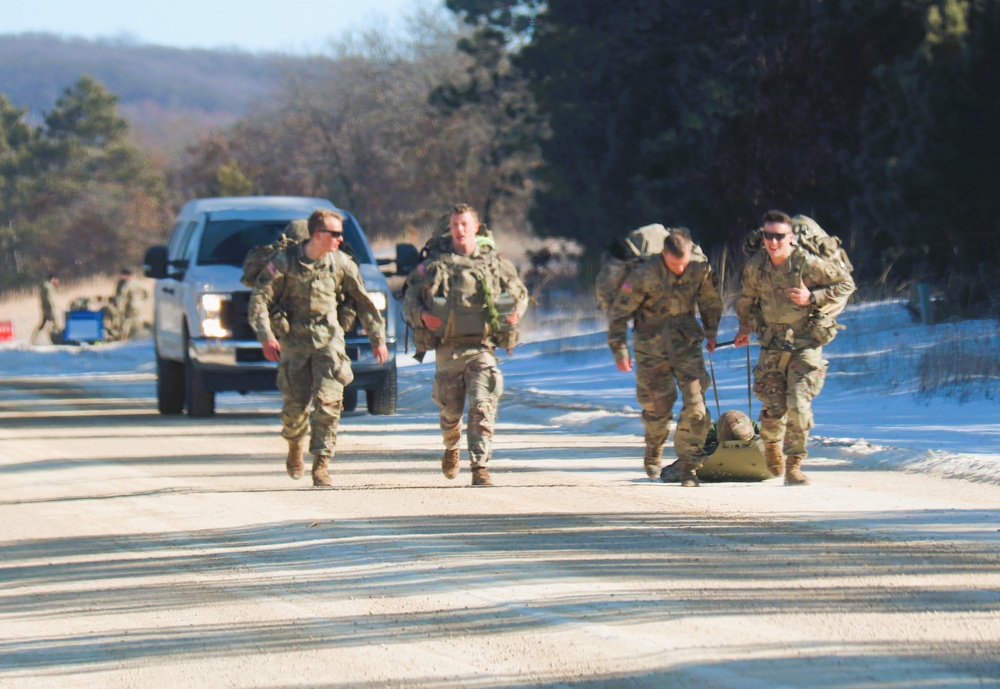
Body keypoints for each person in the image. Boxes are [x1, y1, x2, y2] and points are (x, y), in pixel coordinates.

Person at [249, 208, 388, 487]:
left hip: (329, 340)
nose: (340, 238)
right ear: (317, 235)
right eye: (334, 234)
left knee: (329, 402)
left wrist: (378, 338)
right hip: (294, 343)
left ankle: (321, 465)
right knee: (295, 408)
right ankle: (294, 445)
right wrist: (266, 335)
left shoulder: (342, 264)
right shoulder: (284, 263)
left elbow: (364, 302)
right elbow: (259, 300)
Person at [402, 203, 530, 486]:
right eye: (455, 225)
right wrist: (422, 316)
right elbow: (410, 298)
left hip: (482, 347)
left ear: (476, 228)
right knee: (451, 412)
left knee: (484, 403)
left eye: (464, 224)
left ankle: (479, 467)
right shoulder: (434, 265)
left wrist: (516, 313)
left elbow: (519, 292)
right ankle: (451, 445)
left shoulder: (493, 262)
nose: (459, 230)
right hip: (448, 349)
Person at [734, 210, 856, 485]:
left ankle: (794, 464)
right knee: (774, 406)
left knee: (799, 405)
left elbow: (846, 283)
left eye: (779, 236)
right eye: (768, 236)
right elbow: (746, 299)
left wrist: (812, 296)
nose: (773, 242)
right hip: (772, 343)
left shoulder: (807, 262)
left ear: (790, 238)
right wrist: (744, 328)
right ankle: (772, 447)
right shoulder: (756, 265)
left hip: (806, 342)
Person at [606, 227, 722, 487]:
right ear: (663, 255)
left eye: (683, 263)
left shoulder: (698, 269)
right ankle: (653, 450)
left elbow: (710, 301)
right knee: (658, 409)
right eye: (674, 264)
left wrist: (712, 332)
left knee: (696, 405)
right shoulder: (642, 274)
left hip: (686, 345)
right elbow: (619, 314)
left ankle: (689, 465)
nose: (680, 269)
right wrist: (620, 350)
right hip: (651, 348)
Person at [110, 268, 146, 340]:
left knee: (126, 321)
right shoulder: (137, 282)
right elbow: (146, 292)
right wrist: (141, 300)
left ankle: (123, 337)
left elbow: (121, 297)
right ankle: (138, 336)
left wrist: (119, 307)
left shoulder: (125, 284)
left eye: (124, 275)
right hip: (138, 305)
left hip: (129, 306)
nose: (123, 277)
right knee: (136, 321)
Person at [30, 275, 60, 345]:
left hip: (44, 309)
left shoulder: (44, 286)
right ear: (52, 279)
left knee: (42, 325)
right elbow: (50, 298)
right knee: (56, 324)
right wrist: (53, 307)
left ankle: (33, 340)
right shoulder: (48, 287)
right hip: (49, 309)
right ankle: (57, 339)